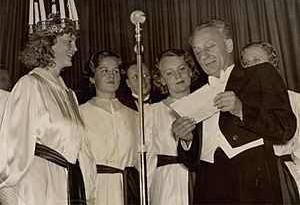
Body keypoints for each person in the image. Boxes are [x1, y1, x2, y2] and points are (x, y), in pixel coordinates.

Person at [172, 20, 296, 204]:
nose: (204, 56)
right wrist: (187, 140)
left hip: (253, 182)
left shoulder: (259, 75)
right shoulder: (195, 96)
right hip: (208, 185)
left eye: (210, 47)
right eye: (197, 52)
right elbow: (191, 162)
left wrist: (242, 110)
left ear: (229, 45)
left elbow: (286, 127)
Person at [0, 13, 96, 205]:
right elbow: (12, 147)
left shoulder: (69, 94)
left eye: (75, 42)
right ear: (47, 45)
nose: (75, 48)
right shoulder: (30, 84)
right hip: (39, 185)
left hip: (69, 184)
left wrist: (89, 191)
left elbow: (83, 151)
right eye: (69, 41)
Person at [240, 41, 300, 201]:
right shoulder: (241, 107)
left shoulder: (295, 101)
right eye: (246, 64)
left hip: (288, 179)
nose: (252, 67)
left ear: (273, 65)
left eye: (257, 61)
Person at [79, 51, 140, 205]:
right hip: (96, 190)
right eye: (104, 71)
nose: (111, 76)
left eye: (115, 71)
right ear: (92, 78)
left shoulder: (134, 116)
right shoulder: (80, 114)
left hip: (128, 191)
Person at [144, 48, 198, 205]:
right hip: (167, 184)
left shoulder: (206, 103)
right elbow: (148, 158)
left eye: (182, 69)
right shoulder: (151, 112)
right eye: (169, 73)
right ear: (160, 79)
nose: (178, 76)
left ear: (190, 71)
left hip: (203, 179)